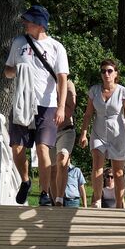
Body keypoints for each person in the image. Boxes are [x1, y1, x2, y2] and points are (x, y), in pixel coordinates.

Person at [4, 5, 70, 206]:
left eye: (29, 20)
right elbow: (7, 71)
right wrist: (16, 70)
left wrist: (60, 106)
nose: (25, 23)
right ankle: (25, 181)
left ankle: (43, 192)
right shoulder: (18, 42)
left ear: (40, 25)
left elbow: (62, 79)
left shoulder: (56, 47)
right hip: (23, 102)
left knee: (42, 149)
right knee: (17, 147)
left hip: (47, 104)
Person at [79, 59, 125, 210]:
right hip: (98, 132)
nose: (106, 74)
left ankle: (119, 204)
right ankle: (97, 200)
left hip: (117, 134)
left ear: (116, 73)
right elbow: (88, 115)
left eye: (110, 71)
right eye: (104, 71)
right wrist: (84, 134)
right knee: (97, 165)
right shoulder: (94, 91)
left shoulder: (122, 91)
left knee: (118, 172)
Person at [51, 77, 78, 208]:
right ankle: (53, 201)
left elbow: (68, 111)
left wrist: (54, 100)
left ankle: (59, 200)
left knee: (62, 160)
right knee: (51, 168)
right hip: (48, 131)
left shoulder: (68, 85)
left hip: (66, 130)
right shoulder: (42, 80)